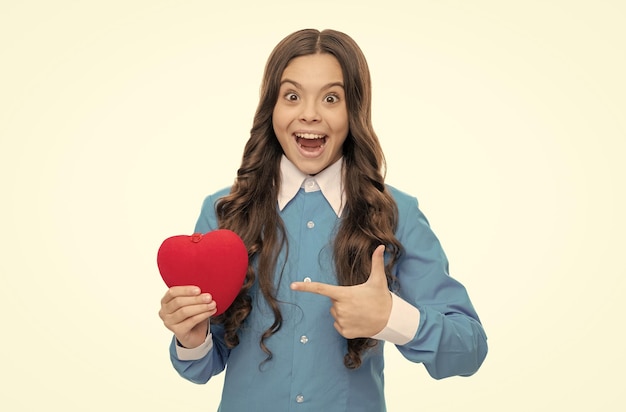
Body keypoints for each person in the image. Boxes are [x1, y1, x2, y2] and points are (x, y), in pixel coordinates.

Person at [158, 28, 488, 411]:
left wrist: (392, 317)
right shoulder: (224, 212)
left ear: (354, 111)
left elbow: (470, 350)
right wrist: (192, 336)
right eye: (292, 96)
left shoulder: (397, 213)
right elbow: (200, 368)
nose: (310, 113)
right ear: (272, 108)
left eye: (331, 98)